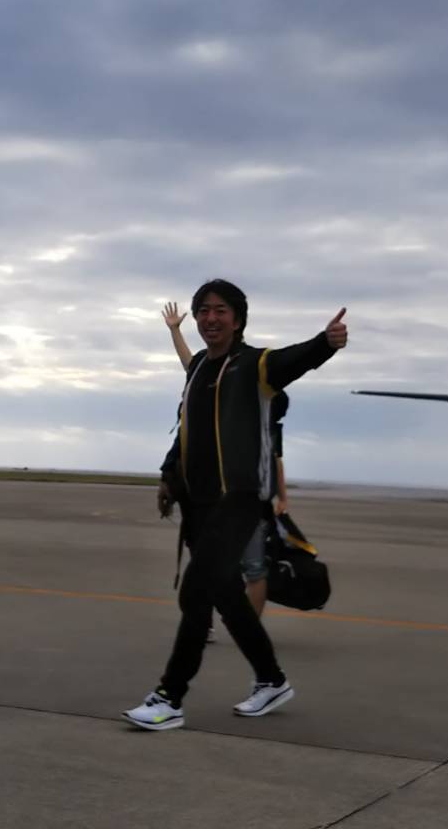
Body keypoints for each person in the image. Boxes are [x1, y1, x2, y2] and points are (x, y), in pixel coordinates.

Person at [123, 282, 347, 731]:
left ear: (238, 318)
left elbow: (293, 359)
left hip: (242, 499)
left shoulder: (255, 365)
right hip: (200, 503)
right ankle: (271, 678)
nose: (210, 318)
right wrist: (169, 478)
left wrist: (325, 343)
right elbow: (184, 428)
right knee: (225, 592)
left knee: (195, 591)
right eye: (203, 310)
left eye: (220, 310)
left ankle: (170, 696)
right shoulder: (199, 369)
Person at [163, 301, 287, 632]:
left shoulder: (260, 415)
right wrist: (175, 330)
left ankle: (247, 628)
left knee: (254, 566)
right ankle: (211, 622)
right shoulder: (212, 389)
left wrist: (280, 498)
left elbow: (274, 458)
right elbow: (193, 364)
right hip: (213, 498)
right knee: (217, 564)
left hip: (248, 498)